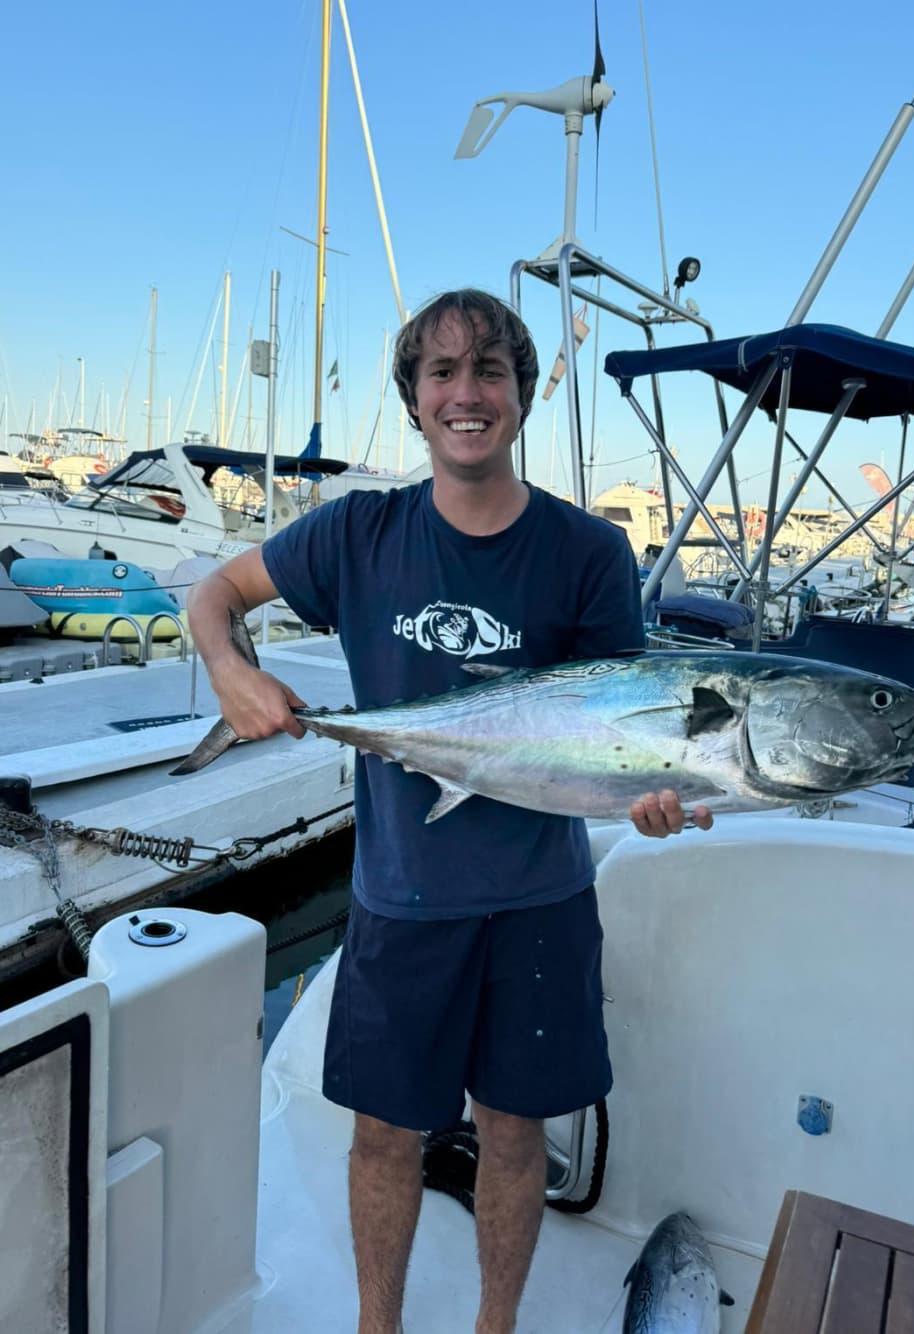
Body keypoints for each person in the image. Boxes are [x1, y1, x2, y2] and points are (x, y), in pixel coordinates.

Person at [187, 288, 713, 1334]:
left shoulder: (587, 553)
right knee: (384, 1135)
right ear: (414, 399)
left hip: (539, 902)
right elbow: (215, 597)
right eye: (442, 372)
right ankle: (377, 1326)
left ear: (520, 394)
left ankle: (493, 1327)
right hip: (401, 900)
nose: (466, 393)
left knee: (515, 1136)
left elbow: (628, 731)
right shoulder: (356, 531)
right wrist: (230, 674)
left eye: (489, 372)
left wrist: (653, 796)